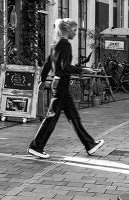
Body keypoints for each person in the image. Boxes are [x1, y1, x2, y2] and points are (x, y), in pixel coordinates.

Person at [28, 19, 104, 160]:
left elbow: (47, 63)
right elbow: (64, 67)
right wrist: (83, 69)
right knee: (52, 118)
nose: (75, 34)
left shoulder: (56, 44)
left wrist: (42, 80)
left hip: (59, 84)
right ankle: (36, 146)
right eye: (74, 30)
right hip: (62, 85)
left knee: (74, 117)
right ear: (67, 30)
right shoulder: (65, 44)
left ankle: (90, 144)